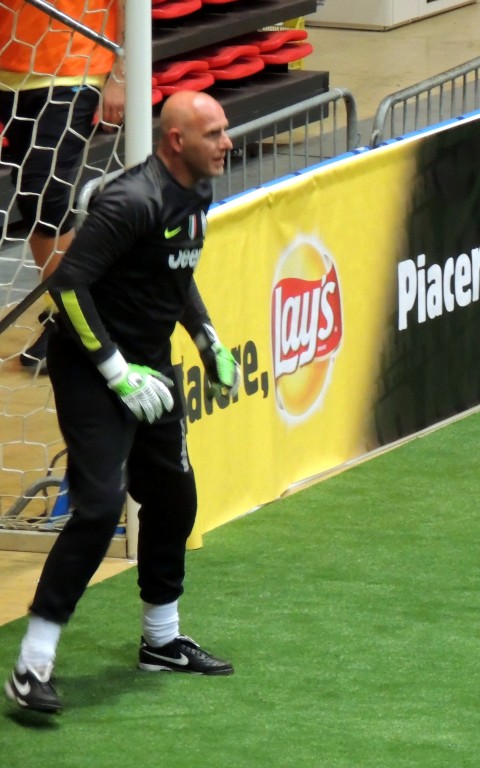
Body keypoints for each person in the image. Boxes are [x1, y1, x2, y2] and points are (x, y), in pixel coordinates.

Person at [4, 90, 240, 715]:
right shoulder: (130, 200)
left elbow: (175, 273)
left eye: (225, 130)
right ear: (176, 142)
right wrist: (117, 372)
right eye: (214, 133)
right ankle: (31, 665)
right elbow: (67, 286)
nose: (227, 142)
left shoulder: (197, 189)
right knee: (100, 507)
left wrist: (207, 337)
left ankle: (162, 641)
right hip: (91, 368)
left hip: (152, 367)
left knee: (174, 497)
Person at [0, 0, 126, 373]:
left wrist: (120, 75)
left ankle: (75, 320)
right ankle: (71, 309)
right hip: (10, 67)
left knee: (44, 190)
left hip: (77, 64)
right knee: (32, 198)